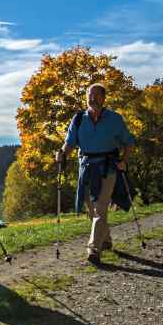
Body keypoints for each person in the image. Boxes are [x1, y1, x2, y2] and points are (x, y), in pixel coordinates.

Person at [57, 83, 136, 265]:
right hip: (86, 167)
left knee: (100, 207)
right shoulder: (78, 119)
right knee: (91, 209)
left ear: (104, 98)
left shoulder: (115, 119)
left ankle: (93, 248)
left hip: (108, 167)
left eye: (96, 95)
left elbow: (129, 142)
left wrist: (124, 160)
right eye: (89, 96)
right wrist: (62, 154)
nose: (92, 99)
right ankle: (106, 239)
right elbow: (69, 143)